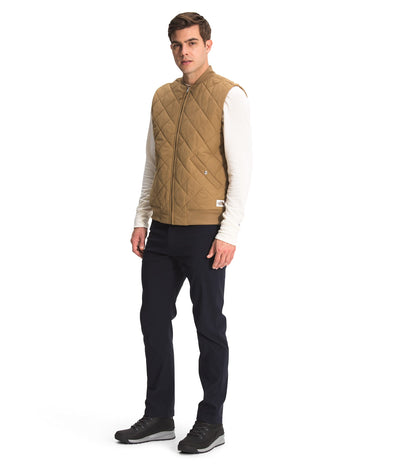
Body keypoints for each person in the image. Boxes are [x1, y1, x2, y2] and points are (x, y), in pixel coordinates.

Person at [115, 12, 252, 454]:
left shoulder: (229, 95)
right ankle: (159, 415)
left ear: (208, 45)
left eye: (192, 43)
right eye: (177, 44)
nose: (184, 51)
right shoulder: (162, 96)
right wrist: (141, 219)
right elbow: (152, 164)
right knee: (153, 320)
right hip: (163, 230)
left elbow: (242, 170)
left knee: (209, 325)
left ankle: (211, 421)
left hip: (206, 230)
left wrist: (228, 232)